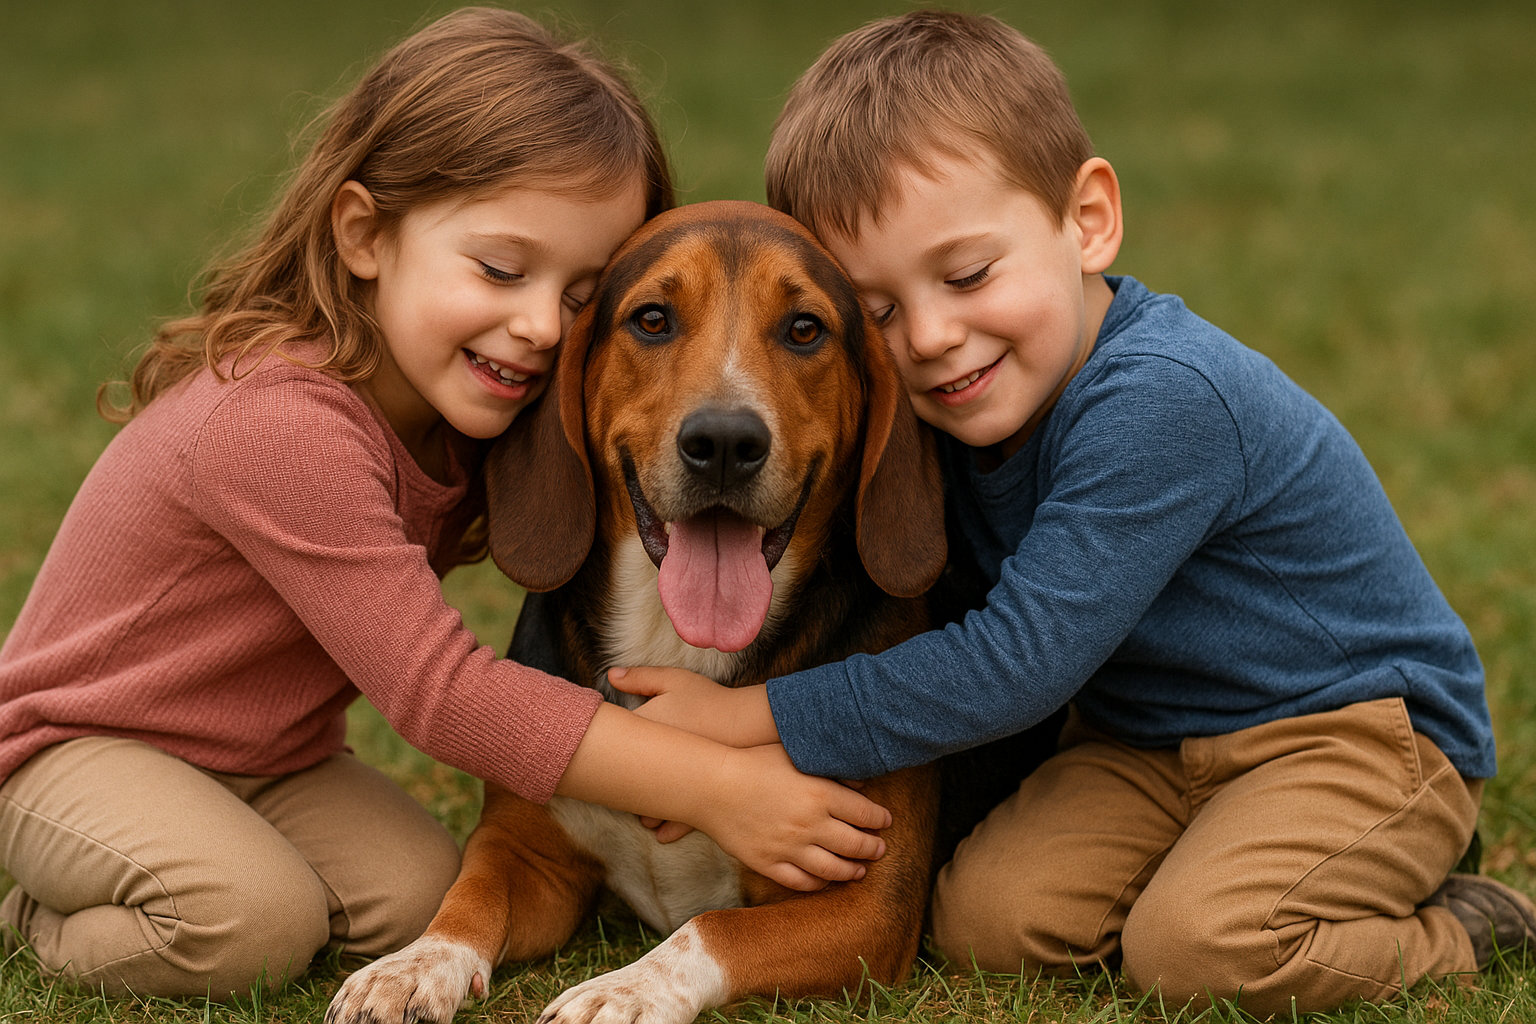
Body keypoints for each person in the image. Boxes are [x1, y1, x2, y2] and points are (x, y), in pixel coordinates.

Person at [609, 9, 1535, 1015]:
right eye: (876, 308)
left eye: (967, 275)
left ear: (1087, 218)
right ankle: (1222, 859)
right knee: (988, 923)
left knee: (1200, 949)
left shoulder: (1160, 397)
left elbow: (1018, 662)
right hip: (1144, 742)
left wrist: (751, 719)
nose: (930, 336)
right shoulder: (955, 406)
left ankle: (1462, 926)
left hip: (1351, 732)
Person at [0, 7, 888, 1001]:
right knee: (250, 924)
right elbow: (442, 691)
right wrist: (719, 784)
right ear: (364, 234)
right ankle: (33, 911)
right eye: (503, 269)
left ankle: (200, 853)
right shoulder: (279, 423)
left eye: (581, 294)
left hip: (272, 762)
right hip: (77, 747)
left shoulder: (462, 411)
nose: (536, 326)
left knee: (418, 886)